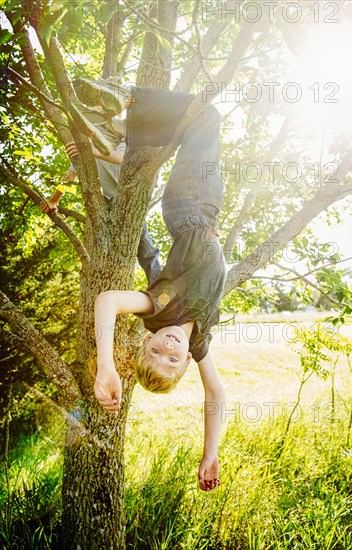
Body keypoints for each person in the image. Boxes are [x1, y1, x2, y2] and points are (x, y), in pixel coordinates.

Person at [88, 79, 227, 491]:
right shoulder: (198, 341)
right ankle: (114, 145)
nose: (166, 348)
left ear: (145, 342)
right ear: (186, 362)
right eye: (171, 360)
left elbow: (109, 300)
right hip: (204, 206)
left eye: (154, 352)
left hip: (190, 206)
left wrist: (106, 365)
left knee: (204, 115)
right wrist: (210, 452)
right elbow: (216, 395)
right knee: (193, 123)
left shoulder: (158, 310)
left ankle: (127, 102)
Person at [40, 101, 162, 285]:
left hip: (132, 198)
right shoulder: (88, 149)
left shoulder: (126, 139)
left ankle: (161, 289)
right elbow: (70, 175)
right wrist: (53, 200)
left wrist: (93, 151)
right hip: (107, 204)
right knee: (111, 251)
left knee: (146, 251)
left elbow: (125, 159)